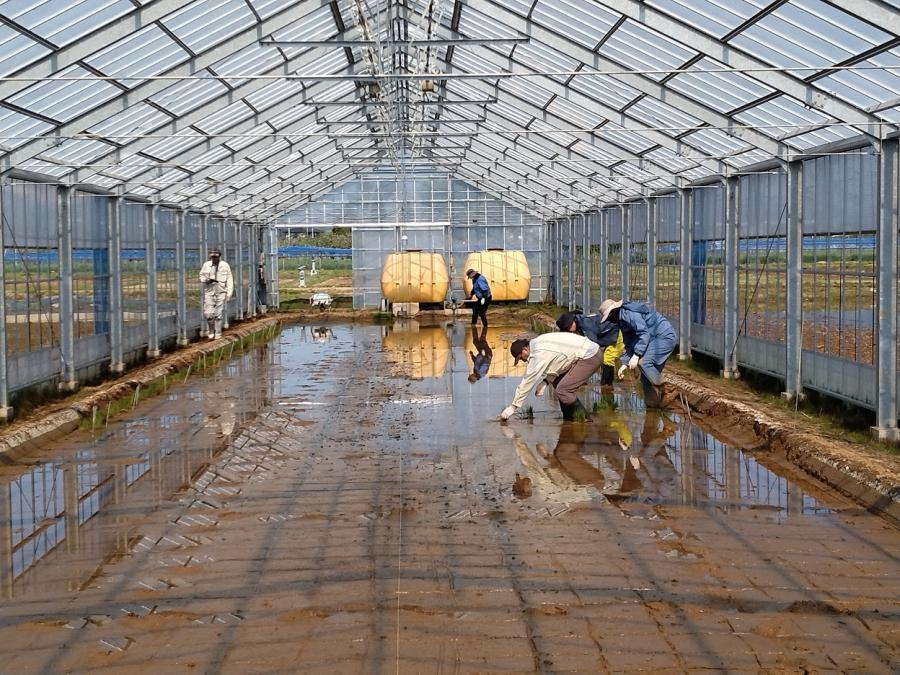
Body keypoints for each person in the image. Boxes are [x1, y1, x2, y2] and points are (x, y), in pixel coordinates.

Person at [500, 332, 603, 422]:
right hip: (588, 352)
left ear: (525, 349)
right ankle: (568, 418)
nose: (522, 360)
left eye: (520, 357)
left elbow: (528, 381)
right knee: (557, 382)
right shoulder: (537, 343)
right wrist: (545, 382)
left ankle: (584, 419)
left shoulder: (538, 353)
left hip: (591, 356)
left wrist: (513, 407)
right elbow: (558, 365)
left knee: (563, 390)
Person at [599, 299, 678, 408]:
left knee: (644, 363)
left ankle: (668, 390)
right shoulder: (622, 320)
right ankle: (652, 406)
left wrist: (636, 355)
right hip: (652, 339)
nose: (609, 321)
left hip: (663, 337)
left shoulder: (630, 314)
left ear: (613, 312)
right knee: (645, 379)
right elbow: (629, 342)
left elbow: (644, 334)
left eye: (609, 317)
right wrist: (625, 363)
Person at [555, 310, 625, 386]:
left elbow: (593, 346)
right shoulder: (579, 322)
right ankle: (606, 383)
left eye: (568, 328)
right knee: (603, 359)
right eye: (566, 329)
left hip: (616, 334)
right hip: (606, 334)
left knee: (608, 360)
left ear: (572, 322)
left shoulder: (586, 324)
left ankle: (607, 386)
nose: (569, 330)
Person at [199, 247, 234, 340]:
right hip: (209, 292)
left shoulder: (225, 266)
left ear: (219, 256)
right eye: (212, 257)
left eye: (215, 257)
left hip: (221, 292)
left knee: (218, 313)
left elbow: (229, 279)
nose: (214, 258)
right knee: (208, 313)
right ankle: (211, 330)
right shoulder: (206, 265)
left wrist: (229, 293)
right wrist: (206, 280)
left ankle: (218, 332)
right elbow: (201, 276)